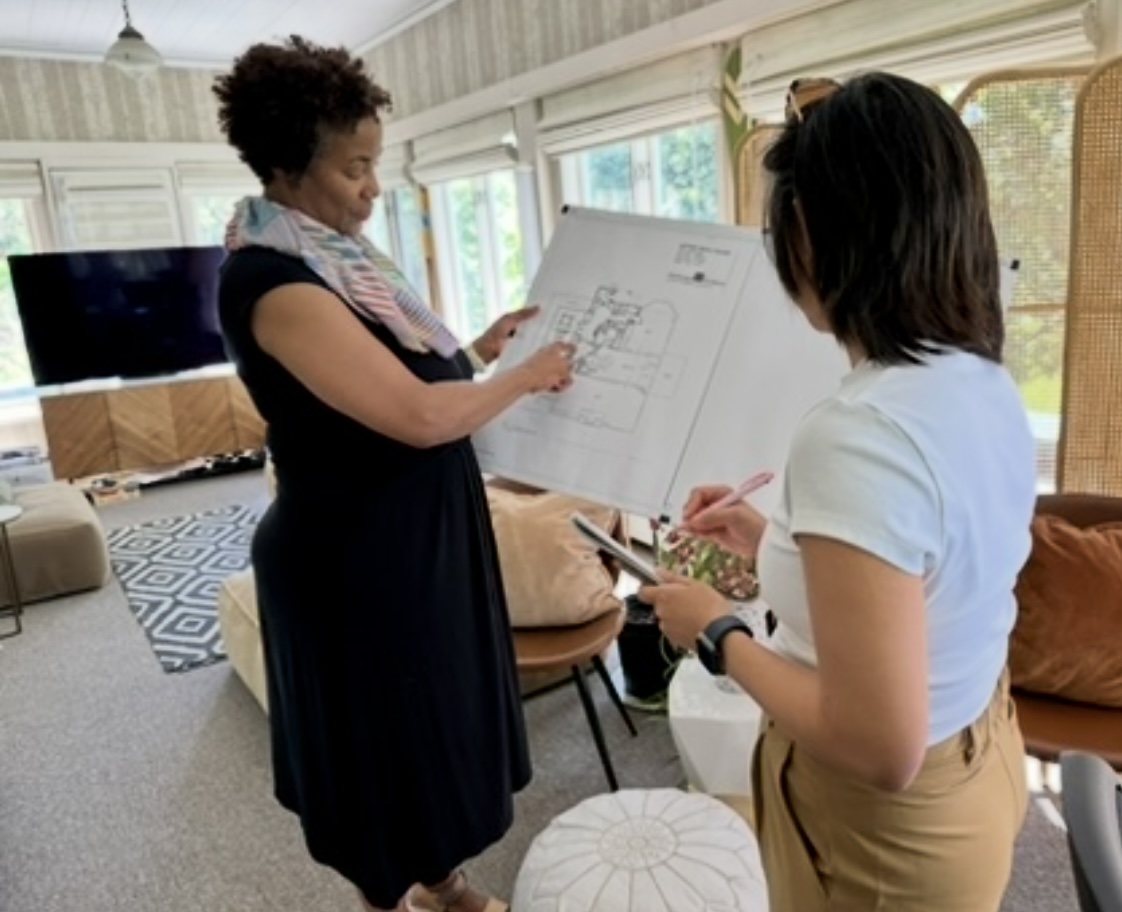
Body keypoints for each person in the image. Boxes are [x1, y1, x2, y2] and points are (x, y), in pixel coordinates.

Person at [638, 73, 1036, 911]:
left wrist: (714, 630)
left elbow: (878, 745)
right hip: (983, 752)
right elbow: (924, 570)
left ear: (817, 238)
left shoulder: (857, 434)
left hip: (885, 829)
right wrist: (773, 538)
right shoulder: (980, 379)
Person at [212, 37, 574, 912]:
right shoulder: (275, 282)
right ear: (288, 166)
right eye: (355, 168)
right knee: (383, 754)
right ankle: (389, 900)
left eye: (376, 163)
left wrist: (481, 349)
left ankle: (444, 884)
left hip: (417, 543)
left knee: (434, 737)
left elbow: (402, 371)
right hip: (355, 562)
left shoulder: (338, 259)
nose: (374, 187)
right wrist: (525, 378)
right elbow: (416, 416)